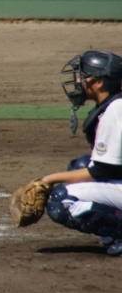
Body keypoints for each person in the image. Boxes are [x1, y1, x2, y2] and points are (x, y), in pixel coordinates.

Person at [42, 50, 122, 256]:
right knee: (80, 166)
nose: (78, 81)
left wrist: (48, 180)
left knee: (61, 201)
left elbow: (102, 172)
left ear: (99, 82)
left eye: (84, 76)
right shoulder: (114, 104)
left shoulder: (115, 110)